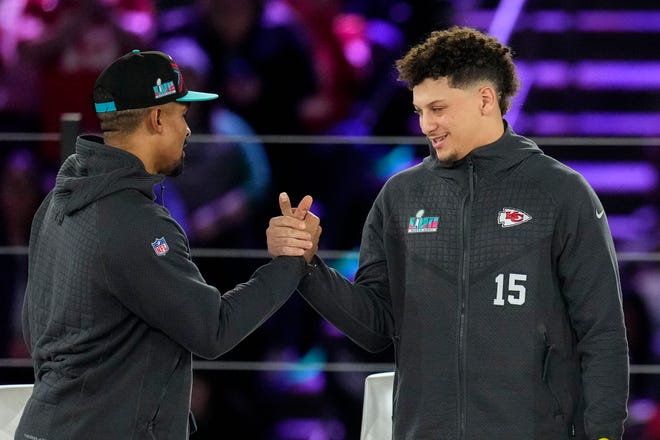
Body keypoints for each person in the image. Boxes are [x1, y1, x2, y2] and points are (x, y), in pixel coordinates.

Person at [267, 26, 629, 439]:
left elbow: (602, 334)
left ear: (485, 100)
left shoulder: (560, 193)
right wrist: (309, 268)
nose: (426, 125)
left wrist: (602, 435)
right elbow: (373, 329)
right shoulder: (400, 196)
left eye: (438, 108)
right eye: (420, 110)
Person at [16, 49, 320, 440]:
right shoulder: (138, 224)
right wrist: (289, 262)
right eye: (182, 115)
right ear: (157, 118)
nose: (188, 131)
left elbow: (35, 325)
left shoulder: (59, 199)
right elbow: (213, 330)